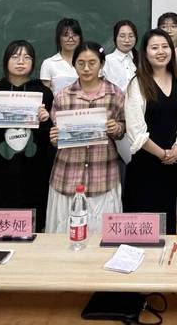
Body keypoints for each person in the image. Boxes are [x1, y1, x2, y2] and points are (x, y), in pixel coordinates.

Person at [0, 40, 55, 232]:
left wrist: (45, 122)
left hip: (34, 177)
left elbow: (51, 140)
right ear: (6, 61)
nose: (21, 61)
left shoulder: (44, 94)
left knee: (33, 234)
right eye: (15, 56)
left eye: (27, 57)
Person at [47, 42, 125, 233]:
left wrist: (116, 128)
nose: (87, 68)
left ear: (102, 64)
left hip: (103, 175)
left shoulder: (115, 94)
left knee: (101, 237)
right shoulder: (63, 96)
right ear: (74, 65)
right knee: (65, 235)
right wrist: (55, 137)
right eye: (81, 63)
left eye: (92, 63)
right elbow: (57, 134)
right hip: (68, 176)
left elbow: (123, 129)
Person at [123, 29, 177, 234]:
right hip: (145, 165)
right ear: (145, 53)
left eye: (165, 47)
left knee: (172, 225)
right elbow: (135, 130)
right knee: (144, 227)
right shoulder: (137, 84)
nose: (161, 52)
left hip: (174, 165)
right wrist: (162, 154)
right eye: (154, 48)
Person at [40, 17, 83, 94]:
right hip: (57, 102)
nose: (71, 39)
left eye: (75, 35)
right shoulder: (49, 63)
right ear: (59, 38)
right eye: (66, 35)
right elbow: (45, 95)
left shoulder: (89, 62)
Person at [103, 20, 139, 92]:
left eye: (131, 36)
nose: (127, 40)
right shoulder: (107, 61)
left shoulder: (142, 59)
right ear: (115, 38)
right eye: (122, 36)